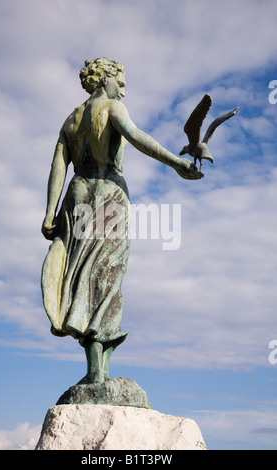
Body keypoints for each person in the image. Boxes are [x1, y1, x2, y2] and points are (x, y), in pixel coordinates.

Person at [41, 57, 203, 384]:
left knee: (83, 278)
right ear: (106, 79)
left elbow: (59, 166)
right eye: (121, 81)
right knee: (106, 277)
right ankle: (98, 373)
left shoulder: (71, 120)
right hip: (108, 197)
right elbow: (136, 136)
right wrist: (175, 163)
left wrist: (49, 212)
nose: (124, 90)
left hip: (76, 198)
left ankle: (94, 372)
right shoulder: (112, 108)